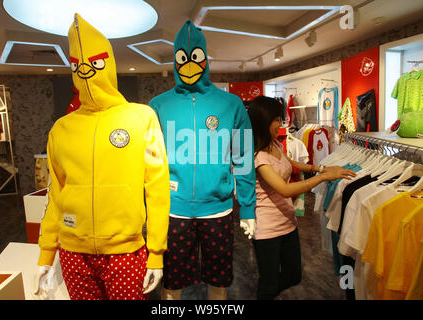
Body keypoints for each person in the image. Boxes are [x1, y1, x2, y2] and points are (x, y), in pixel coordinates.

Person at [33, 14, 170, 300]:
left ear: (107, 63)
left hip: (125, 250)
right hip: (72, 252)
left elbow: (157, 188)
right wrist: (46, 253)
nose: (86, 72)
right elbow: (56, 195)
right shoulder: (62, 128)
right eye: (77, 65)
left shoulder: (141, 117)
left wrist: (156, 252)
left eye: (94, 63)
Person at [149, 20, 256, 300]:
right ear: (175, 60)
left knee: (219, 282)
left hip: (217, 210)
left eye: (195, 57)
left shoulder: (230, 104)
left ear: (204, 58)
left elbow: (243, 158)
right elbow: (147, 163)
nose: (188, 65)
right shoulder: (158, 106)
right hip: (173, 212)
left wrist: (247, 208)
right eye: (181, 58)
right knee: (171, 284)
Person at [247, 96, 356, 300]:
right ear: (263, 121)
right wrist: (323, 177)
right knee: (268, 286)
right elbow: (285, 190)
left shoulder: (274, 145)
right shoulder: (257, 157)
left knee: (293, 275)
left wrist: (321, 167)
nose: (281, 124)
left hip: (288, 223)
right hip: (266, 231)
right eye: (276, 120)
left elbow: (292, 163)